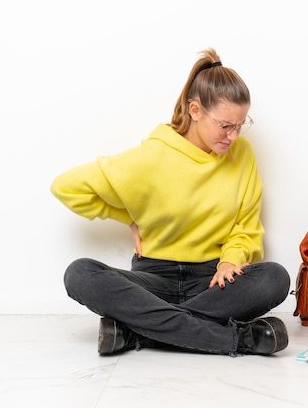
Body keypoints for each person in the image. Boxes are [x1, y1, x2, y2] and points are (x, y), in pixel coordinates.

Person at [50, 48, 290, 357]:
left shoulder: (241, 155)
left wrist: (231, 259)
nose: (233, 136)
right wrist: (127, 218)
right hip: (154, 279)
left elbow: (246, 225)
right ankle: (236, 340)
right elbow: (65, 186)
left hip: (213, 279)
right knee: (79, 273)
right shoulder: (151, 157)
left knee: (275, 278)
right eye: (225, 125)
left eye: (240, 125)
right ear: (195, 110)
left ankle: (137, 332)